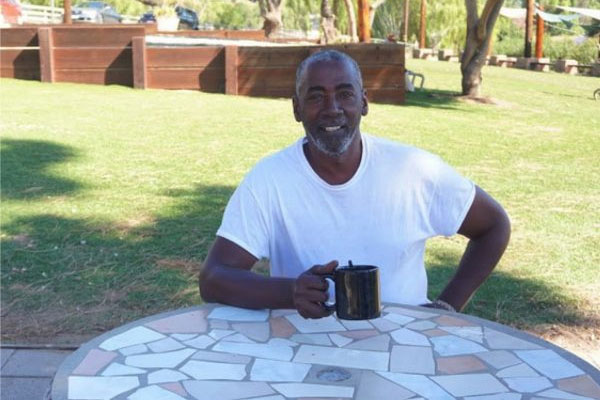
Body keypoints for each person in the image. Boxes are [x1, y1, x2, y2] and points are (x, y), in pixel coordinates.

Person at [199, 50, 511, 319]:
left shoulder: (414, 170)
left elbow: (494, 226)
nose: (332, 107)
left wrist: (446, 308)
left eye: (345, 94)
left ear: (363, 103)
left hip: (402, 345)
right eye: (316, 95)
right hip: (304, 346)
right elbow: (213, 279)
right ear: (296, 108)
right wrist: (291, 291)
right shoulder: (269, 180)